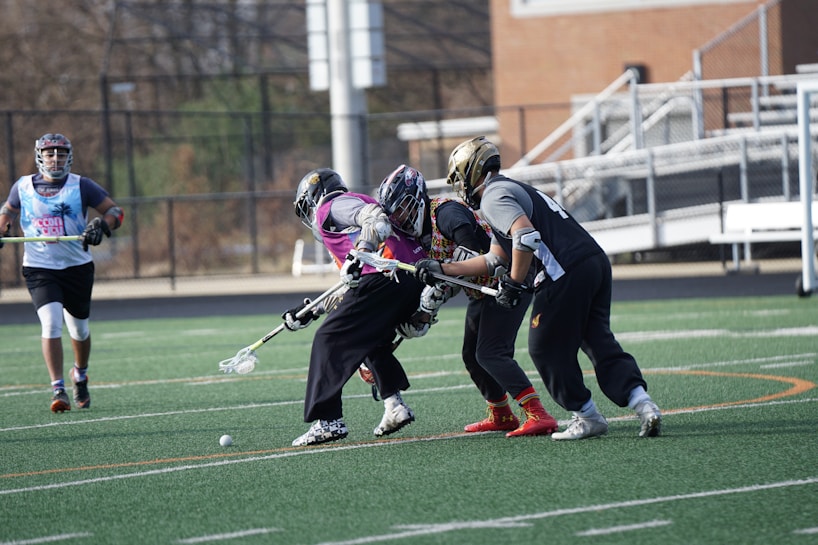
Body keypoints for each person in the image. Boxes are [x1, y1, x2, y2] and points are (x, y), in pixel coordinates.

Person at [414, 136, 662, 440]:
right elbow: (495, 258)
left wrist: (515, 283)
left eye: (459, 178)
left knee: (544, 348)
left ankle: (586, 415)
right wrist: (444, 269)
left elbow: (526, 237)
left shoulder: (493, 196)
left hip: (563, 270)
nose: (459, 186)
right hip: (593, 261)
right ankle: (643, 403)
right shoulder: (511, 189)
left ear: (471, 170)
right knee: (597, 340)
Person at [377, 164, 558, 437]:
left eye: (401, 208)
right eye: (393, 214)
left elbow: (476, 257)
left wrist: (438, 284)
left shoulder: (448, 214)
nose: (398, 218)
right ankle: (501, 413)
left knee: (491, 352)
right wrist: (425, 309)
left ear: (415, 198)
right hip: (480, 289)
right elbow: (450, 275)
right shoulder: (419, 233)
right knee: (471, 356)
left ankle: (538, 413)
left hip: (508, 280)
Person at [286, 168, 426, 446]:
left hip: (385, 276)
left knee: (328, 340)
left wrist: (360, 253)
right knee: (370, 342)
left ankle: (328, 421)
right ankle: (394, 406)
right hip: (407, 280)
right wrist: (309, 311)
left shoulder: (333, 205)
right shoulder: (345, 223)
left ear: (315, 196)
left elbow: (375, 220)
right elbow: (348, 287)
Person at [0, 133, 124, 413]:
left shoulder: (82, 185)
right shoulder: (23, 186)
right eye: (49, 153)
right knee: (51, 323)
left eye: (60, 153)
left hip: (77, 267)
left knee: (79, 329)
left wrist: (101, 226)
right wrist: (2, 226)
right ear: (39, 156)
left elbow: (115, 212)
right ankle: (58, 388)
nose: (55, 159)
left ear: (69, 157)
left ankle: (80, 374)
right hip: (40, 267)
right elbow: (7, 210)